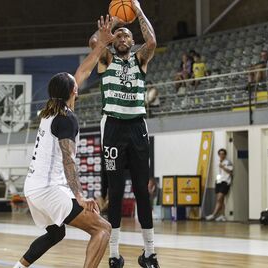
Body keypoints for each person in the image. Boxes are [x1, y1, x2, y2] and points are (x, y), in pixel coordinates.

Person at [13, 16, 114, 268]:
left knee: (56, 233)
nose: (78, 85)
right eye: (75, 85)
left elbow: (83, 71)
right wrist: (79, 195)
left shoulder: (48, 111)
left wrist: (101, 44)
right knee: (103, 228)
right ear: (73, 92)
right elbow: (68, 160)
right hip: (48, 189)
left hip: (33, 188)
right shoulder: (67, 118)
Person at [89, 1, 159, 267]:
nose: (121, 37)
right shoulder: (106, 59)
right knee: (115, 192)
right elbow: (94, 41)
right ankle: (114, 254)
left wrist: (137, 11)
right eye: (118, 36)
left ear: (132, 41)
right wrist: (116, 21)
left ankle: (150, 253)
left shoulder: (140, 60)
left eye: (126, 35)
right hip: (114, 128)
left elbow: (151, 41)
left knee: (142, 190)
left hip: (137, 127)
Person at [205, 148, 233, 222]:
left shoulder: (228, 162)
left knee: (219, 199)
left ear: (225, 154)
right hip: (218, 182)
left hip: (225, 182)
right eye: (220, 154)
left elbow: (230, 171)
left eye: (223, 154)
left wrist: (223, 167)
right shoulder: (217, 162)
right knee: (221, 200)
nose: (221, 155)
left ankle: (213, 215)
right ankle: (222, 215)